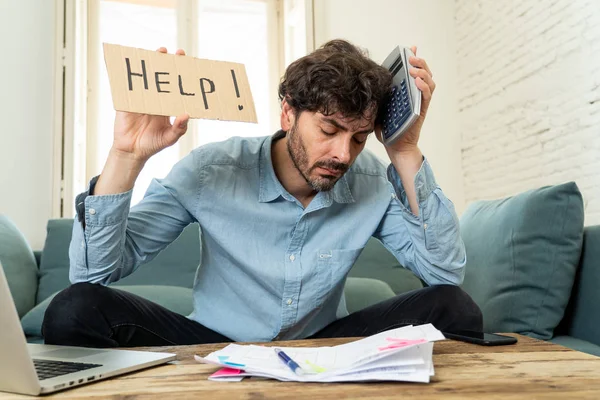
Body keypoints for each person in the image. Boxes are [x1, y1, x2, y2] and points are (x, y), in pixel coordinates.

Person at [42, 39, 482, 348]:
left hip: (325, 348)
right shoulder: (211, 170)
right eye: (329, 130)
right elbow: (92, 274)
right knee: (74, 309)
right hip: (214, 346)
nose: (342, 153)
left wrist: (402, 149)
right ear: (289, 113)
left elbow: (444, 275)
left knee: (454, 308)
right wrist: (126, 155)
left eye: (359, 137)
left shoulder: (368, 179)